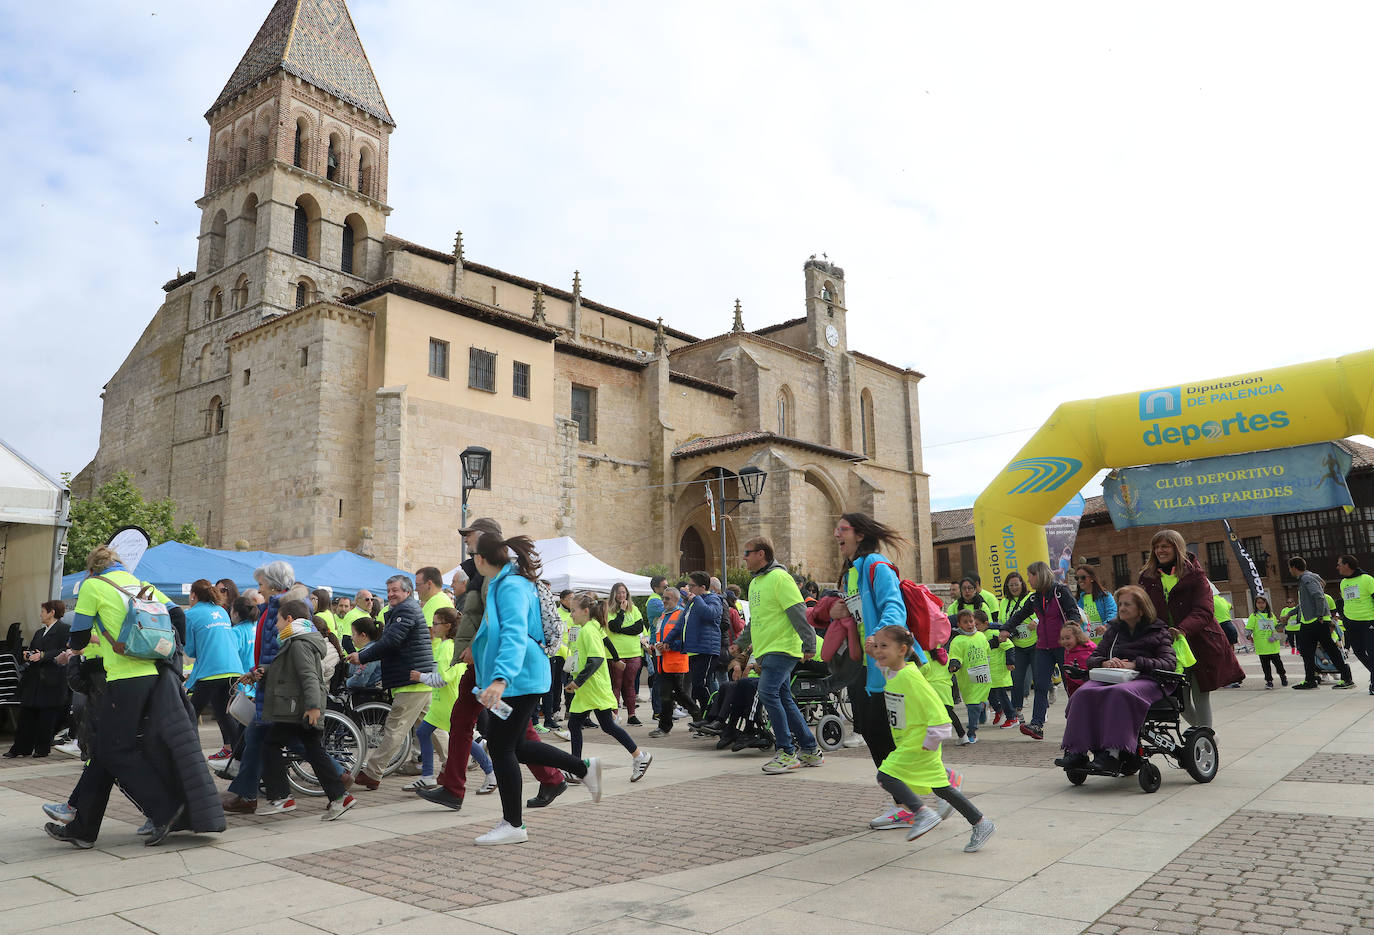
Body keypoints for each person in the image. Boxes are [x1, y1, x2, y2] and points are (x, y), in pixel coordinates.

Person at [47, 545, 223, 848]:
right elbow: (177, 614)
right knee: (105, 750)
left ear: (92, 569)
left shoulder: (93, 585)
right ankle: (82, 830)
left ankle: (165, 810)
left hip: (125, 679)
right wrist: (170, 652)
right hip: (155, 675)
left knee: (116, 750)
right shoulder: (141, 584)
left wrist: (78, 649)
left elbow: (77, 635)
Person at [467, 533, 602, 845]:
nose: (471, 560)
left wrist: (500, 679)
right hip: (522, 677)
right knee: (515, 746)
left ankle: (513, 824)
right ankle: (582, 768)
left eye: (473, 553)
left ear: (483, 558)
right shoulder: (508, 581)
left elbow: (514, 634)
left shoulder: (511, 585)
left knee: (502, 749)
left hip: (519, 678)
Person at [834, 512, 928, 832]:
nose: (836, 535)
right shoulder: (853, 573)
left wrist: (877, 637)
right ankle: (921, 796)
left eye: (842, 529)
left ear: (860, 535)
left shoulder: (876, 565)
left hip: (887, 667)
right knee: (876, 732)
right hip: (867, 667)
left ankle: (912, 803)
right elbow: (857, 615)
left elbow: (894, 607)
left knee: (886, 735)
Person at [868, 624, 995, 852]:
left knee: (885, 775)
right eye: (877, 645)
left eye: (884, 646)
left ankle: (921, 812)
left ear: (902, 649)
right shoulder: (895, 672)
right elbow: (886, 670)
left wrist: (933, 739)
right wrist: (873, 651)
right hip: (914, 741)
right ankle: (981, 823)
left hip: (920, 742)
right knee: (942, 788)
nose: (879, 650)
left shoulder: (910, 677)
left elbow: (937, 709)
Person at [1055, 586, 1176, 774]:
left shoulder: (1158, 631)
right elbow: (1092, 658)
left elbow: (1169, 663)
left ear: (1141, 609)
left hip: (1148, 678)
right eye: (1120, 604)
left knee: (1118, 694)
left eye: (1127, 604)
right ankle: (1077, 751)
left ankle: (1112, 754)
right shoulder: (1114, 631)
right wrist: (1105, 661)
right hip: (1115, 676)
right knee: (1082, 693)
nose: (1122, 608)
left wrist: (1136, 664)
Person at [223, 561, 313, 815]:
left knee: (265, 738)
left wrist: (261, 672)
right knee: (262, 738)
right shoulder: (275, 606)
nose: (259, 589)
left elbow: (282, 651)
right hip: (270, 684)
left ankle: (253, 795)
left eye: (262, 584)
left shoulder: (284, 608)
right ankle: (249, 794)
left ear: (273, 585)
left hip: (277, 687)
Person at [257, 599, 356, 820]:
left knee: (271, 744)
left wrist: (312, 707)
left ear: (289, 619)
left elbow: (309, 677)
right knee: (314, 751)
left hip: (299, 709)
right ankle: (340, 797)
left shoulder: (299, 643)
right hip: (298, 707)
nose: (276, 625)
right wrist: (264, 670)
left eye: (279, 620)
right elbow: (288, 670)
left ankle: (283, 796)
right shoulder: (296, 641)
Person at [733, 536, 823, 773]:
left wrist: (809, 644)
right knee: (783, 698)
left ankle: (786, 751)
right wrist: (740, 643)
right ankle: (810, 749)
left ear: (761, 554)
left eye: (747, 552)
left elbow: (798, 612)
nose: (744, 557)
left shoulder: (780, 578)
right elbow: (755, 621)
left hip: (782, 648)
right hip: (767, 650)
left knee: (767, 692)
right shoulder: (754, 584)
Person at [1137, 530, 1244, 725]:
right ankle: (1206, 736)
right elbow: (1143, 610)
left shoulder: (1195, 575)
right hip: (1166, 646)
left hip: (1199, 643)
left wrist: (1182, 629)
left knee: (1200, 695)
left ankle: (1205, 738)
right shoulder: (1148, 577)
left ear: (1176, 548)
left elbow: (1204, 610)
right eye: (1156, 547)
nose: (1160, 551)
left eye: (1165, 546)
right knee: (1179, 700)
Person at [346, 575, 436, 790]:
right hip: (417, 678)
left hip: (411, 678)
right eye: (388, 591)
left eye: (395, 590)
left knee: (395, 727)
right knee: (436, 728)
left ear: (407, 591)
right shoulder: (404, 609)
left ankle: (373, 772)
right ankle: (465, 763)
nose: (391, 594)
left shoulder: (405, 610)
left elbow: (391, 642)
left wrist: (363, 656)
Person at [564, 594, 653, 780]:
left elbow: (595, 660)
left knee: (604, 726)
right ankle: (577, 768)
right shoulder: (591, 627)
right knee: (579, 724)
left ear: (586, 611)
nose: (571, 614)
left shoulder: (589, 630)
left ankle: (639, 756)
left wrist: (577, 681)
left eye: (574, 610)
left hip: (593, 687)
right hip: (589, 688)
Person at [407, 606, 494, 793]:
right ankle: (427, 777)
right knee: (423, 732)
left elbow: (443, 679)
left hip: (449, 703)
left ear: (447, 626)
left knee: (465, 740)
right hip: (441, 704)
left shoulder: (447, 647)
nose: (433, 627)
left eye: (436, 624)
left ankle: (491, 772)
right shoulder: (445, 645)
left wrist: (420, 677)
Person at [1003, 560, 1081, 740]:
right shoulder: (1034, 597)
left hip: (1063, 647)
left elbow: (1073, 612)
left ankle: (1079, 721)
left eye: (1030, 576)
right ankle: (1037, 724)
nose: (1028, 580)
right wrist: (1006, 629)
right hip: (1043, 647)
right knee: (1040, 685)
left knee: (1071, 685)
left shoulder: (1060, 592)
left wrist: (1072, 628)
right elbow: (1020, 615)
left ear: (1038, 575)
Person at [183, 579, 243, 760]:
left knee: (191, 714)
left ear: (193, 595)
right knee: (225, 714)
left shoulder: (191, 614)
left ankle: (191, 758)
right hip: (233, 668)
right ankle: (240, 757)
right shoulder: (222, 611)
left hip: (211, 670)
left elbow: (190, 650)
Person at [5, 600, 71, 758]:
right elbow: (33, 648)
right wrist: (28, 654)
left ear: (51, 612)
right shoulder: (39, 632)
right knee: (27, 713)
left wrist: (43, 655)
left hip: (52, 677)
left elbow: (66, 649)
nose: (41, 614)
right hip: (34, 677)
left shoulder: (64, 630)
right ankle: (21, 747)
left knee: (46, 716)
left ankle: (42, 748)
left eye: (43, 611)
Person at [1288, 556, 1355, 690]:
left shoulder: (1307, 579)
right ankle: (1311, 680)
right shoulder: (1307, 578)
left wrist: (1319, 615)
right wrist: (1290, 614)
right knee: (1308, 651)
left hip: (1314, 622)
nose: (1289, 571)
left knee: (1327, 650)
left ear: (1294, 567)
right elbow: (1305, 603)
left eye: (1290, 568)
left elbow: (1318, 596)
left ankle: (1345, 678)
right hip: (1310, 621)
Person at [650, 587, 703, 736]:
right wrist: (654, 647)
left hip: (676, 662)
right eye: (663, 598)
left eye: (667, 598)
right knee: (675, 694)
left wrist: (668, 645)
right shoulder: (663, 616)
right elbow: (661, 636)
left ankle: (665, 726)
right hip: (664, 662)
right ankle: (697, 717)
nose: (664, 601)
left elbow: (686, 639)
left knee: (670, 694)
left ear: (676, 600)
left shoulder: (681, 615)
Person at [680, 572, 724, 712]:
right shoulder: (693, 602)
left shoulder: (713, 599)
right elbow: (682, 623)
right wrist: (668, 641)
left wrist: (695, 599)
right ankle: (707, 717)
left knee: (701, 685)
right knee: (697, 686)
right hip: (694, 649)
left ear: (702, 587)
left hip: (707, 649)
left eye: (692, 585)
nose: (689, 588)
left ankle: (714, 716)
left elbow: (710, 614)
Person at [605, 582, 646, 725]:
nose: (621, 595)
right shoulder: (609, 611)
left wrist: (621, 630)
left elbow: (638, 628)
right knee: (616, 685)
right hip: (616, 654)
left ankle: (631, 715)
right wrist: (621, 611)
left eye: (624, 592)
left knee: (630, 685)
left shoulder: (634, 609)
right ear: (613, 595)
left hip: (634, 653)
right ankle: (614, 715)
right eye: (618, 592)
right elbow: (613, 626)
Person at [948, 610, 991, 745]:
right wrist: (954, 664)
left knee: (975, 704)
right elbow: (955, 656)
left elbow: (987, 651)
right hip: (968, 680)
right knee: (972, 704)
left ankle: (971, 732)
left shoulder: (981, 636)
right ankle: (982, 707)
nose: (970, 624)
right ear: (959, 624)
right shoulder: (958, 641)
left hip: (983, 677)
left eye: (971, 621)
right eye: (965, 622)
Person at [998, 571, 1035, 728]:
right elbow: (1001, 621)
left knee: (1039, 679)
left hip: (1035, 643)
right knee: (1016, 680)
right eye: (1011, 585)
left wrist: (1037, 622)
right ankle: (1017, 711)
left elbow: (1042, 613)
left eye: (1016, 584)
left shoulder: (1030, 598)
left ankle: (1042, 709)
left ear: (1022, 584)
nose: (1014, 587)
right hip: (1017, 645)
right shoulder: (1004, 602)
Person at [1336, 555, 1374, 694]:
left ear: (1347, 565)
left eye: (1339, 564)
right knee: (1358, 652)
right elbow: (1346, 602)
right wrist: (1346, 620)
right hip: (1352, 623)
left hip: (1369, 621)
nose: (1337, 567)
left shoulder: (1366, 579)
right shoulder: (1343, 582)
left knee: (1372, 652)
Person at [980, 612, 1016, 727]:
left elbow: (1009, 646)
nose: (974, 627)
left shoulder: (995, 633)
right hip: (988, 670)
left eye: (977, 624)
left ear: (985, 623)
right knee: (988, 693)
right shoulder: (979, 635)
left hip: (999, 670)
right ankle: (999, 710)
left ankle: (1012, 717)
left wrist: (1010, 662)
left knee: (1001, 694)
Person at [1245, 595, 1288, 689]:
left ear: (1266, 604)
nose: (1261, 605)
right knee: (1265, 665)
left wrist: (1282, 624)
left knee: (1278, 663)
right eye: (1258, 603)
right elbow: (1249, 628)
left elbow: (1276, 626)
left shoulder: (1271, 615)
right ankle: (1269, 681)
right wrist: (1248, 635)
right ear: (1255, 604)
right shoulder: (1254, 616)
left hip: (1273, 644)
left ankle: (1283, 676)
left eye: (1263, 603)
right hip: (1262, 645)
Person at [1074, 566, 1117, 638]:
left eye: (1083, 577)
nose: (1079, 580)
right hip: (1086, 643)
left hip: (1105, 640)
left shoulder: (1105, 596)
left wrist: (1105, 626)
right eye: (1077, 578)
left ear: (1092, 578)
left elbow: (1113, 613)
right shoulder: (1077, 600)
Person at [1058, 623, 1096, 697]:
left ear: (1077, 637)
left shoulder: (1084, 653)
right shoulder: (1069, 650)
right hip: (1075, 689)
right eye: (1062, 638)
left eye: (1068, 638)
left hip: (1086, 691)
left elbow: (1088, 677)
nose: (1064, 641)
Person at [345, 617, 383, 689]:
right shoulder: (374, 649)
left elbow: (359, 681)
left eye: (353, 634)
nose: (351, 638)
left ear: (363, 635)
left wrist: (346, 683)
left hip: (368, 695)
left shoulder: (369, 653)